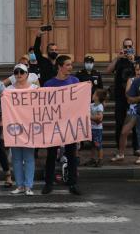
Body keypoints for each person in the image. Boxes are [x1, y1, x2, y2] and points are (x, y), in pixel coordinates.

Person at [42, 55, 81, 196]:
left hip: (70, 124)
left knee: (71, 155)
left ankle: (73, 183)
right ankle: (48, 183)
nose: (71, 67)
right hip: (54, 125)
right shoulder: (49, 84)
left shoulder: (75, 81)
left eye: (71, 64)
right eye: (68, 64)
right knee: (51, 155)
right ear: (59, 66)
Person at [106, 38, 140, 157]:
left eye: (129, 46)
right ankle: (119, 149)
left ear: (133, 47)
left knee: (136, 123)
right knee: (119, 122)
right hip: (120, 96)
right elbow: (108, 70)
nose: (127, 49)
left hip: (135, 96)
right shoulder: (119, 60)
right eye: (125, 47)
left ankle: (137, 148)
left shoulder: (138, 59)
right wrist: (117, 58)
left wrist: (133, 61)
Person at [7, 64, 37, 196]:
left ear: (27, 73)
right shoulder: (8, 89)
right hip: (14, 127)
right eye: (16, 72)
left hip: (30, 127)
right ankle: (19, 185)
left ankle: (28, 185)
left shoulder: (35, 88)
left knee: (29, 158)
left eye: (22, 72)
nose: (19, 74)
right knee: (16, 159)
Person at [111, 63, 140, 164]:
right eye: (137, 70)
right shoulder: (132, 80)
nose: (138, 72)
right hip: (132, 110)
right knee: (124, 132)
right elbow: (128, 95)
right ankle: (121, 154)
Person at [84, 89, 107, 168]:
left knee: (98, 144)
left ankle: (100, 159)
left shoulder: (99, 106)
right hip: (92, 128)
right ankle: (93, 159)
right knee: (93, 145)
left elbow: (100, 118)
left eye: (94, 94)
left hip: (97, 129)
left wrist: (89, 117)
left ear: (97, 97)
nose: (92, 95)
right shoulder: (92, 105)